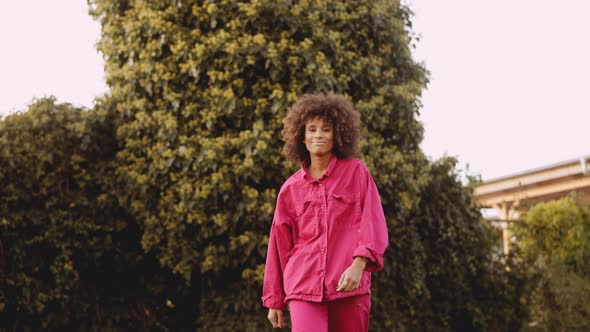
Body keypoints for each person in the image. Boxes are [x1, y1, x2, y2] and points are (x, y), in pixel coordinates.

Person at [261, 93, 389, 331]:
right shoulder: (290, 189)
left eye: (326, 129)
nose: (318, 134)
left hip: (348, 286)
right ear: (302, 136)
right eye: (311, 129)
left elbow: (373, 221)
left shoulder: (356, 172)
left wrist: (359, 265)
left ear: (337, 135)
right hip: (303, 286)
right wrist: (274, 299)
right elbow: (279, 246)